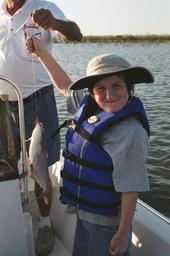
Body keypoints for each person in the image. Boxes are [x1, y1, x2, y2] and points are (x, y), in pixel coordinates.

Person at [26, 37, 154, 256]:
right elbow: (65, 86)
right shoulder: (93, 104)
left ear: (129, 87)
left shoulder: (130, 133)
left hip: (107, 224)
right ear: (92, 92)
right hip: (84, 213)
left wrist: (123, 235)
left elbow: (131, 188)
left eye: (117, 86)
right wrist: (41, 53)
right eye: (100, 88)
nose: (109, 95)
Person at [0, 0, 82, 255]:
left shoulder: (45, 6)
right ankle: (10, 212)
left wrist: (54, 23)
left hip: (39, 99)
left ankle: (45, 223)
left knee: (42, 164)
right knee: (5, 164)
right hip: (2, 101)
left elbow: (77, 36)